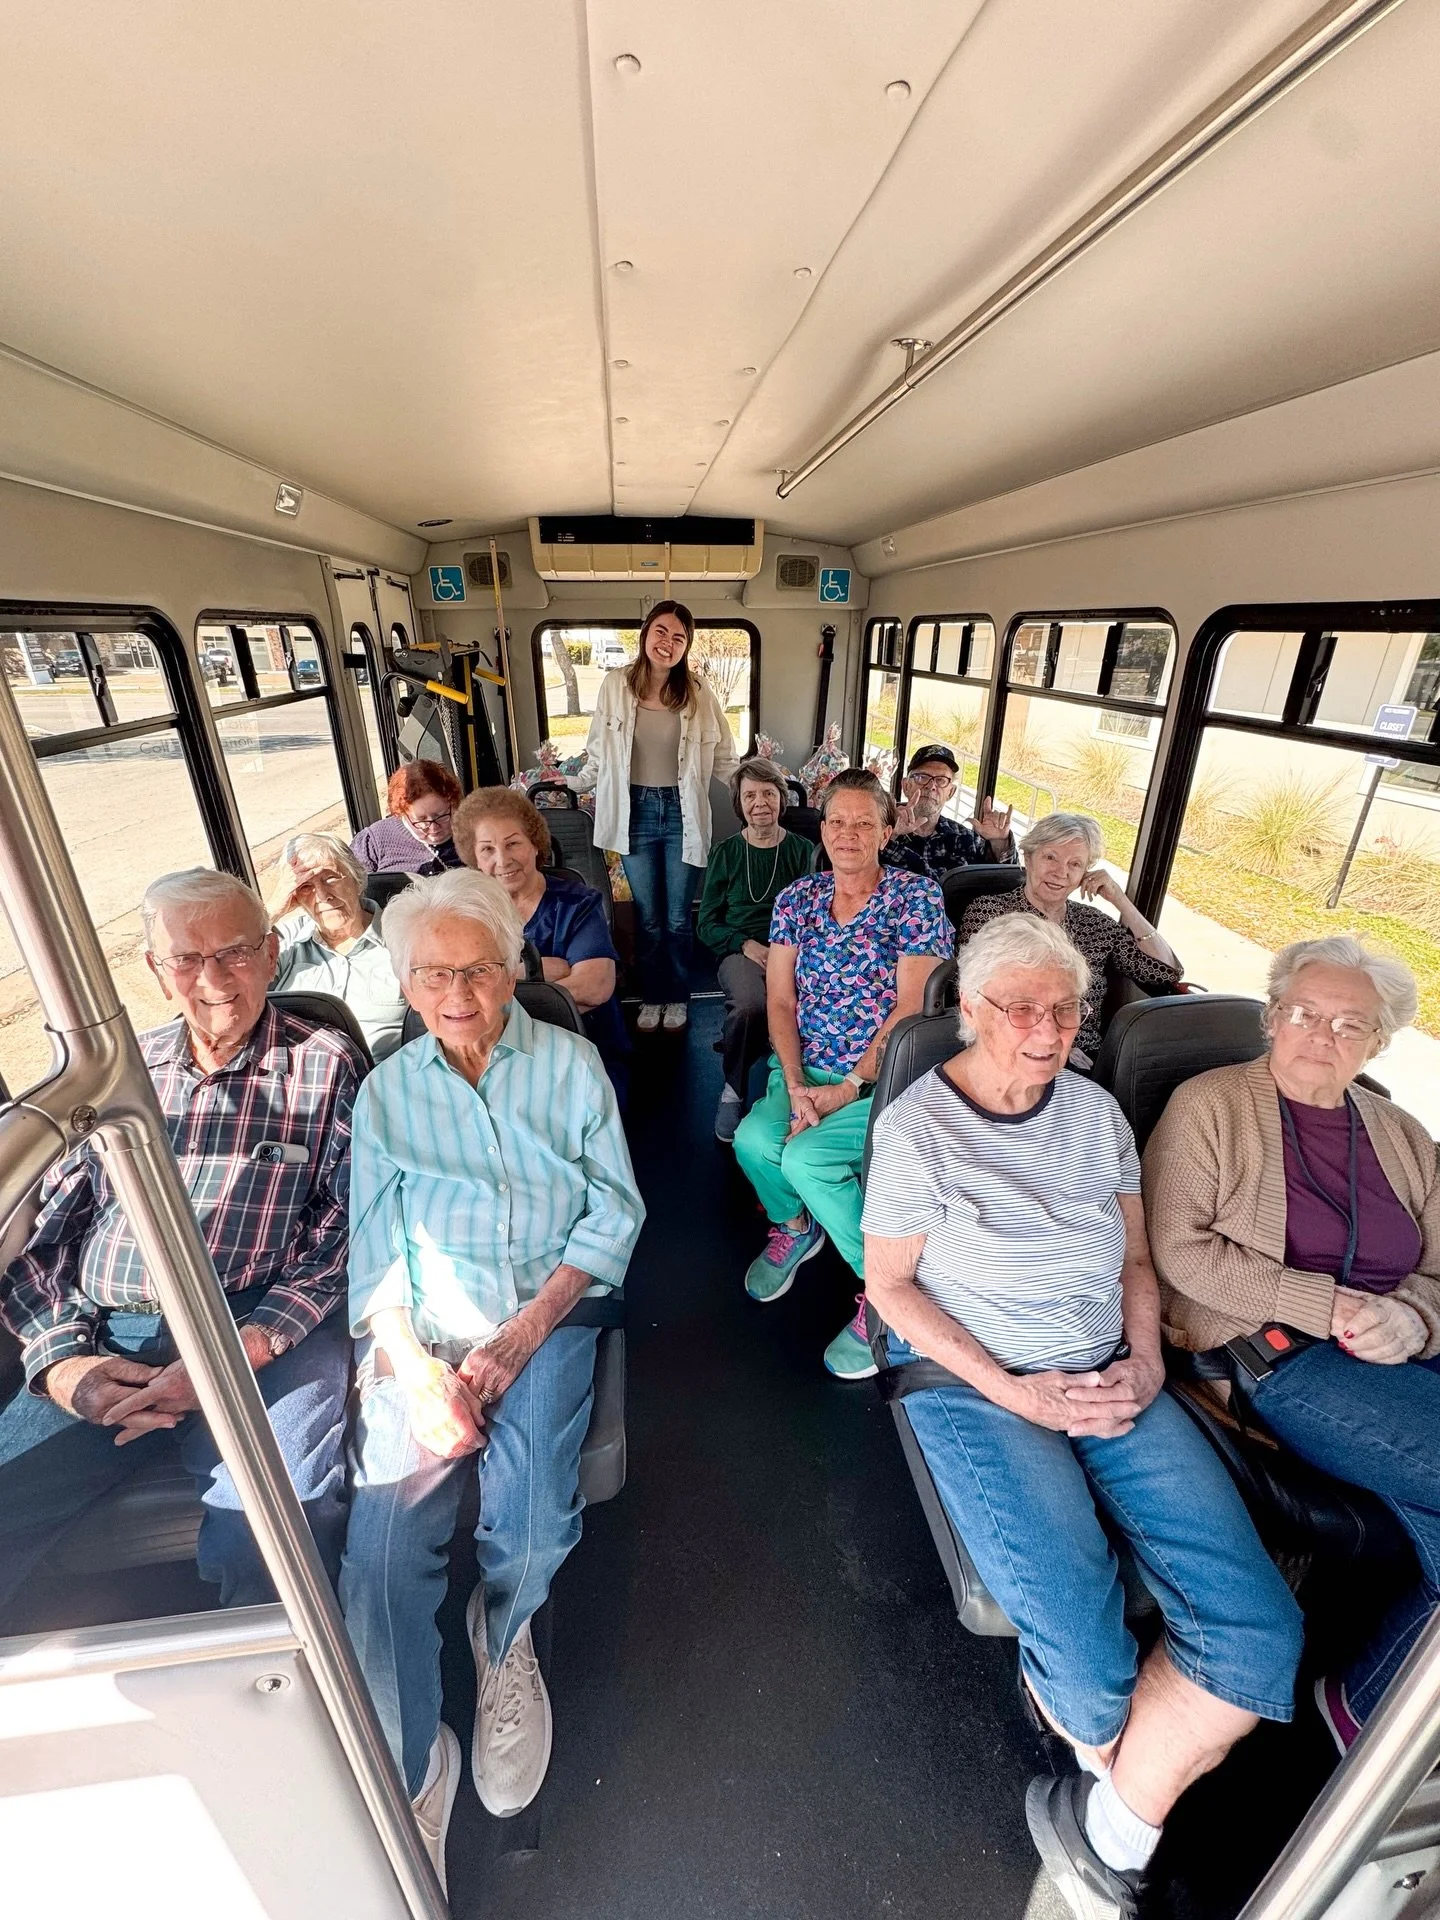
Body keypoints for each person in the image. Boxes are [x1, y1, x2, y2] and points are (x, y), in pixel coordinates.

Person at [863, 915, 1302, 1920]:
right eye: (1017, 1007)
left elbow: (1139, 1264)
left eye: (1063, 1008)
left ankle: (1108, 1832)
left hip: (1111, 1367)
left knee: (1261, 1637)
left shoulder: (1097, 1115)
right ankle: (1114, 1763)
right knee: (1098, 1679)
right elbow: (890, 1288)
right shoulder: (918, 1128)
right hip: (982, 1382)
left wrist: (1146, 1365)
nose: (1044, 1026)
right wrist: (1020, 1392)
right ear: (971, 1013)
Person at [339, 870, 644, 1891]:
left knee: (526, 1512)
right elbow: (375, 1255)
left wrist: (521, 1335)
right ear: (408, 983)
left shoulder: (569, 1066)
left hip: (543, 1315)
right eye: (433, 974)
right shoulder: (386, 1092)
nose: (457, 991)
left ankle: (501, 1635)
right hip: (423, 1328)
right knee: (381, 1547)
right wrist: (414, 1370)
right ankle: (411, 1762)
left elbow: (615, 1212)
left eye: (477, 968)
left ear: (514, 972)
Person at [0, 868, 362, 1618]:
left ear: (269, 954)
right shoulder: (110, 1077)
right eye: (187, 960)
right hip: (107, 1329)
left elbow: (348, 1229)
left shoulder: (325, 1064)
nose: (213, 981)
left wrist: (243, 1350)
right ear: (156, 971)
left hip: (260, 1328)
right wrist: (62, 1363)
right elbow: (43, 1240)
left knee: (274, 1523)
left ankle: (278, 1705)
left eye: (232, 953)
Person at [1144, 935, 1440, 1756]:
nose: (1324, 1034)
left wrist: (1415, 1316)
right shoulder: (1210, 1104)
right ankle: (1375, 1710)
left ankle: (1372, 1702)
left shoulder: (1402, 1133)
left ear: (1379, 1044)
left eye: (1352, 1024)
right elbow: (1181, 1251)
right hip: (1272, 1354)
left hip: (1399, 1346)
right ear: (1273, 1017)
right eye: (1305, 1013)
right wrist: (1334, 1305)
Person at [733, 769, 951, 1380]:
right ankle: (795, 1227)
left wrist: (848, 1086)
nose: (848, 834)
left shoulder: (915, 898)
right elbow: (779, 1002)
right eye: (836, 821)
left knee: (805, 1160)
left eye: (863, 823)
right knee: (755, 1142)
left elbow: (912, 1009)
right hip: (804, 1067)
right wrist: (798, 1083)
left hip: (883, 1079)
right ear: (821, 830)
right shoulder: (796, 901)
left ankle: (887, 1290)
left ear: (886, 830)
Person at [568, 601, 737, 1034]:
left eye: (679, 637)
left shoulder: (698, 692)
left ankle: (677, 997)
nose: (668, 643)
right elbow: (600, 749)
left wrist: (755, 787)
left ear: (686, 646)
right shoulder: (615, 685)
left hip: (682, 812)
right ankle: (652, 996)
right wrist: (574, 785)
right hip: (634, 810)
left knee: (679, 917)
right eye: (661, 632)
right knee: (647, 915)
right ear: (645, 634)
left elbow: (723, 756)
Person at [959, 811, 1181, 1068]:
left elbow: (1165, 973)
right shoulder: (989, 911)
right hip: (1009, 1047)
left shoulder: (1096, 924)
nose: (1060, 872)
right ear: (1028, 858)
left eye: (1074, 864)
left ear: (1085, 874)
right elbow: (971, 993)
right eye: (1050, 857)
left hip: (1084, 1058)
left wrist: (1121, 901)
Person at [452, 786, 630, 1103]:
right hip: (497, 1057)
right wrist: (532, 972)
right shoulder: (467, 914)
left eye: (513, 844)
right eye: (488, 850)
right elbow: (453, 992)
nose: (502, 859)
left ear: (535, 844)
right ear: (474, 858)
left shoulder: (578, 904)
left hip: (582, 1049)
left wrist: (490, 988)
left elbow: (595, 987)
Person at [696, 755, 815, 1144]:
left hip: (794, 948)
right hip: (740, 949)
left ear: (782, 799)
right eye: (750, 795)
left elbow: (815, 914)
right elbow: (707, 922)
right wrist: (746, 945)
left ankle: (798, 1087)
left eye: (768, 793)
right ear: (739, 803)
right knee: (750, 1003)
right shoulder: (726, 852)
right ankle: (734, 1088)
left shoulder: (804, 850)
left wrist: (783, 950)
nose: (759, 802)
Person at [271, 831, 408, 1060]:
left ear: (357, 879)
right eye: (306, 887)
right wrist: (272, 910)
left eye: (330, 878)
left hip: (381, 1079)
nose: (323, 896)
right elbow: (229, 973)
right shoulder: (284, 942)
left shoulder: (404, 938)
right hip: (303, 1084)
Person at [883, 743, 1018, 881]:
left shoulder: (966, 839)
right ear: (906, 786)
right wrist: (889, 835)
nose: (931, 786)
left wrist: (1000, 842)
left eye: (941, 780)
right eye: (922, 777)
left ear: (951, 792)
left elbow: (1007, 883)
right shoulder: (878, 826)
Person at [351, 760, 464, 875]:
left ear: (454, 804)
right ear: (401, 813)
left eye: (441, 816)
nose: (434, 828)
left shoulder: (473, 832)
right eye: (421, 819)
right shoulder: (373, 843)